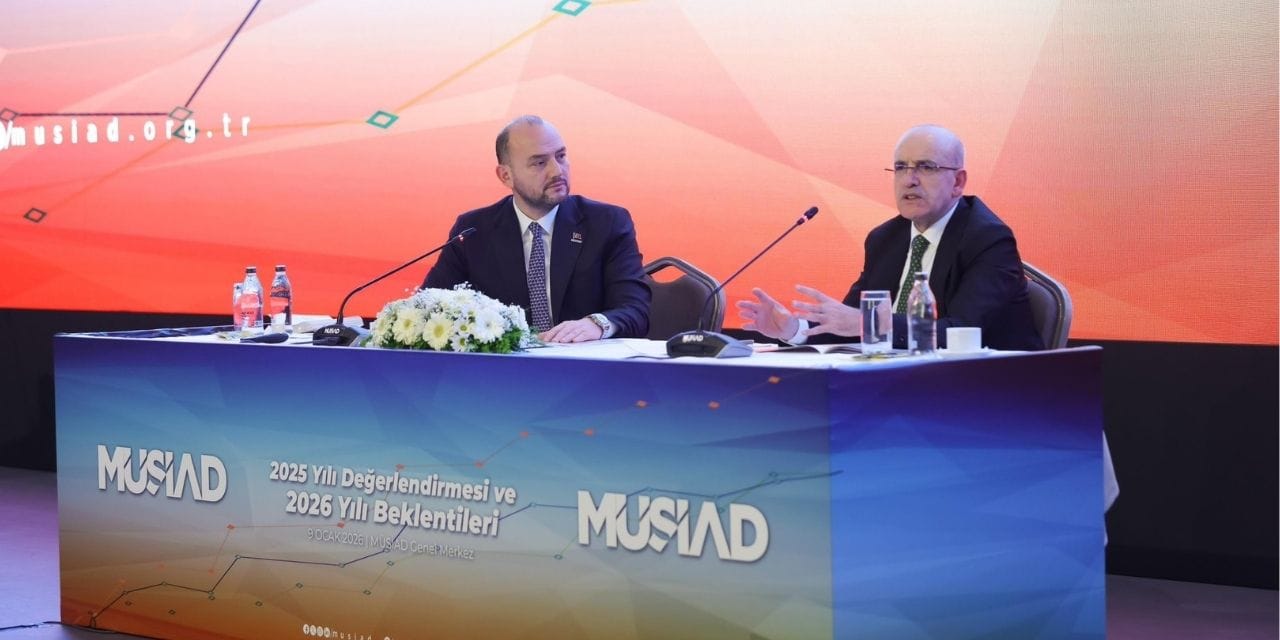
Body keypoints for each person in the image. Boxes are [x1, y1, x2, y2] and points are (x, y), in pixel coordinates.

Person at [737, 124, 1043, 351]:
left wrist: (868, 322)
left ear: (958, 182)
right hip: (904, 382)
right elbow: (849, 321)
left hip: (990, 392)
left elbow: (962, 332)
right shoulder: (885, 239)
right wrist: (793, 329)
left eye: (926, 167)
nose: (909, 179)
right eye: (900, 168)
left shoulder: (988, 240)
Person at [424, 115, 650, 342]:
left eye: (561, 156)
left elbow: (635, 309)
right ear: (506, 176)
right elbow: (428, 309)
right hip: (507, 363)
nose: (557, 171)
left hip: (583, 360)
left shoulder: (607, 223)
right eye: (539, 163)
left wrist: (597, 324)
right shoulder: (473, 232)